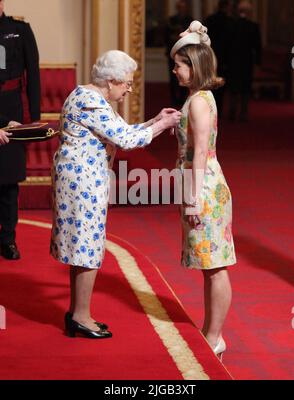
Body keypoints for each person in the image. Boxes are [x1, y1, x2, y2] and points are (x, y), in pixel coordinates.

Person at [50, 50, 181, 339]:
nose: (130, 89)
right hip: (82, 183)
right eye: (127, 84)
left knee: (81, 248)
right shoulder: (90, 102)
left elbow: (121, 130)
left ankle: (77, 313)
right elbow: (125, 140)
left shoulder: (93, 97)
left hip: (82, 179)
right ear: (111, 81)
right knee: (86, 249)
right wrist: (163, 125)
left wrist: (154, 120)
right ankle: (81, 317)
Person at [170, 21, 236, 359]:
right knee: (211, 266)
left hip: (204, 187)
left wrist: (192, 197)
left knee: (216, 266)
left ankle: (215, 336)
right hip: (205, 182)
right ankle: (211, 332)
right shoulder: (200, 97)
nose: (175, 70)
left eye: (179, 64)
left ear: (194, 65)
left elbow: (198, 152)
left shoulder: (197, 102)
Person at [0, 0, 41, 260]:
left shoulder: (20, 29)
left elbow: (33, 75)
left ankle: (8, 239)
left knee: (8, 182)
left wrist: (33, 120)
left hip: (12, 112)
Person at [227, 0, 262, 121]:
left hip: (233, 61)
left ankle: (232, 110)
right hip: (247, 61)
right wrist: (257, 63)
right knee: (245, 88)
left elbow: (228, 45)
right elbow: (257, 47)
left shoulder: (231, 25)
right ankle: (243, 112)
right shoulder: (253, 26)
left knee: (233, 87)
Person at [204, 0, 234, 118]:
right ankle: (217, 112)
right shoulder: (229, 22)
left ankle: (210, 110)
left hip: (211, 56)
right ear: (226, 7)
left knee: (210, 85)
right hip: (225, 59)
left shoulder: (210, 19)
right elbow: (231, 43)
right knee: (220, 88)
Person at [164, 0, 193, 107]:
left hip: (186, 54)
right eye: (180, 7)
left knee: (185, 76)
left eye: (183, 7)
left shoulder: (190, 20)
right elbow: (165, 37)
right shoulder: (171, 20)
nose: (182, 9)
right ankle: (174, 100)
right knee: (173, 77)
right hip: (172, 53)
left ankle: (182, 99)